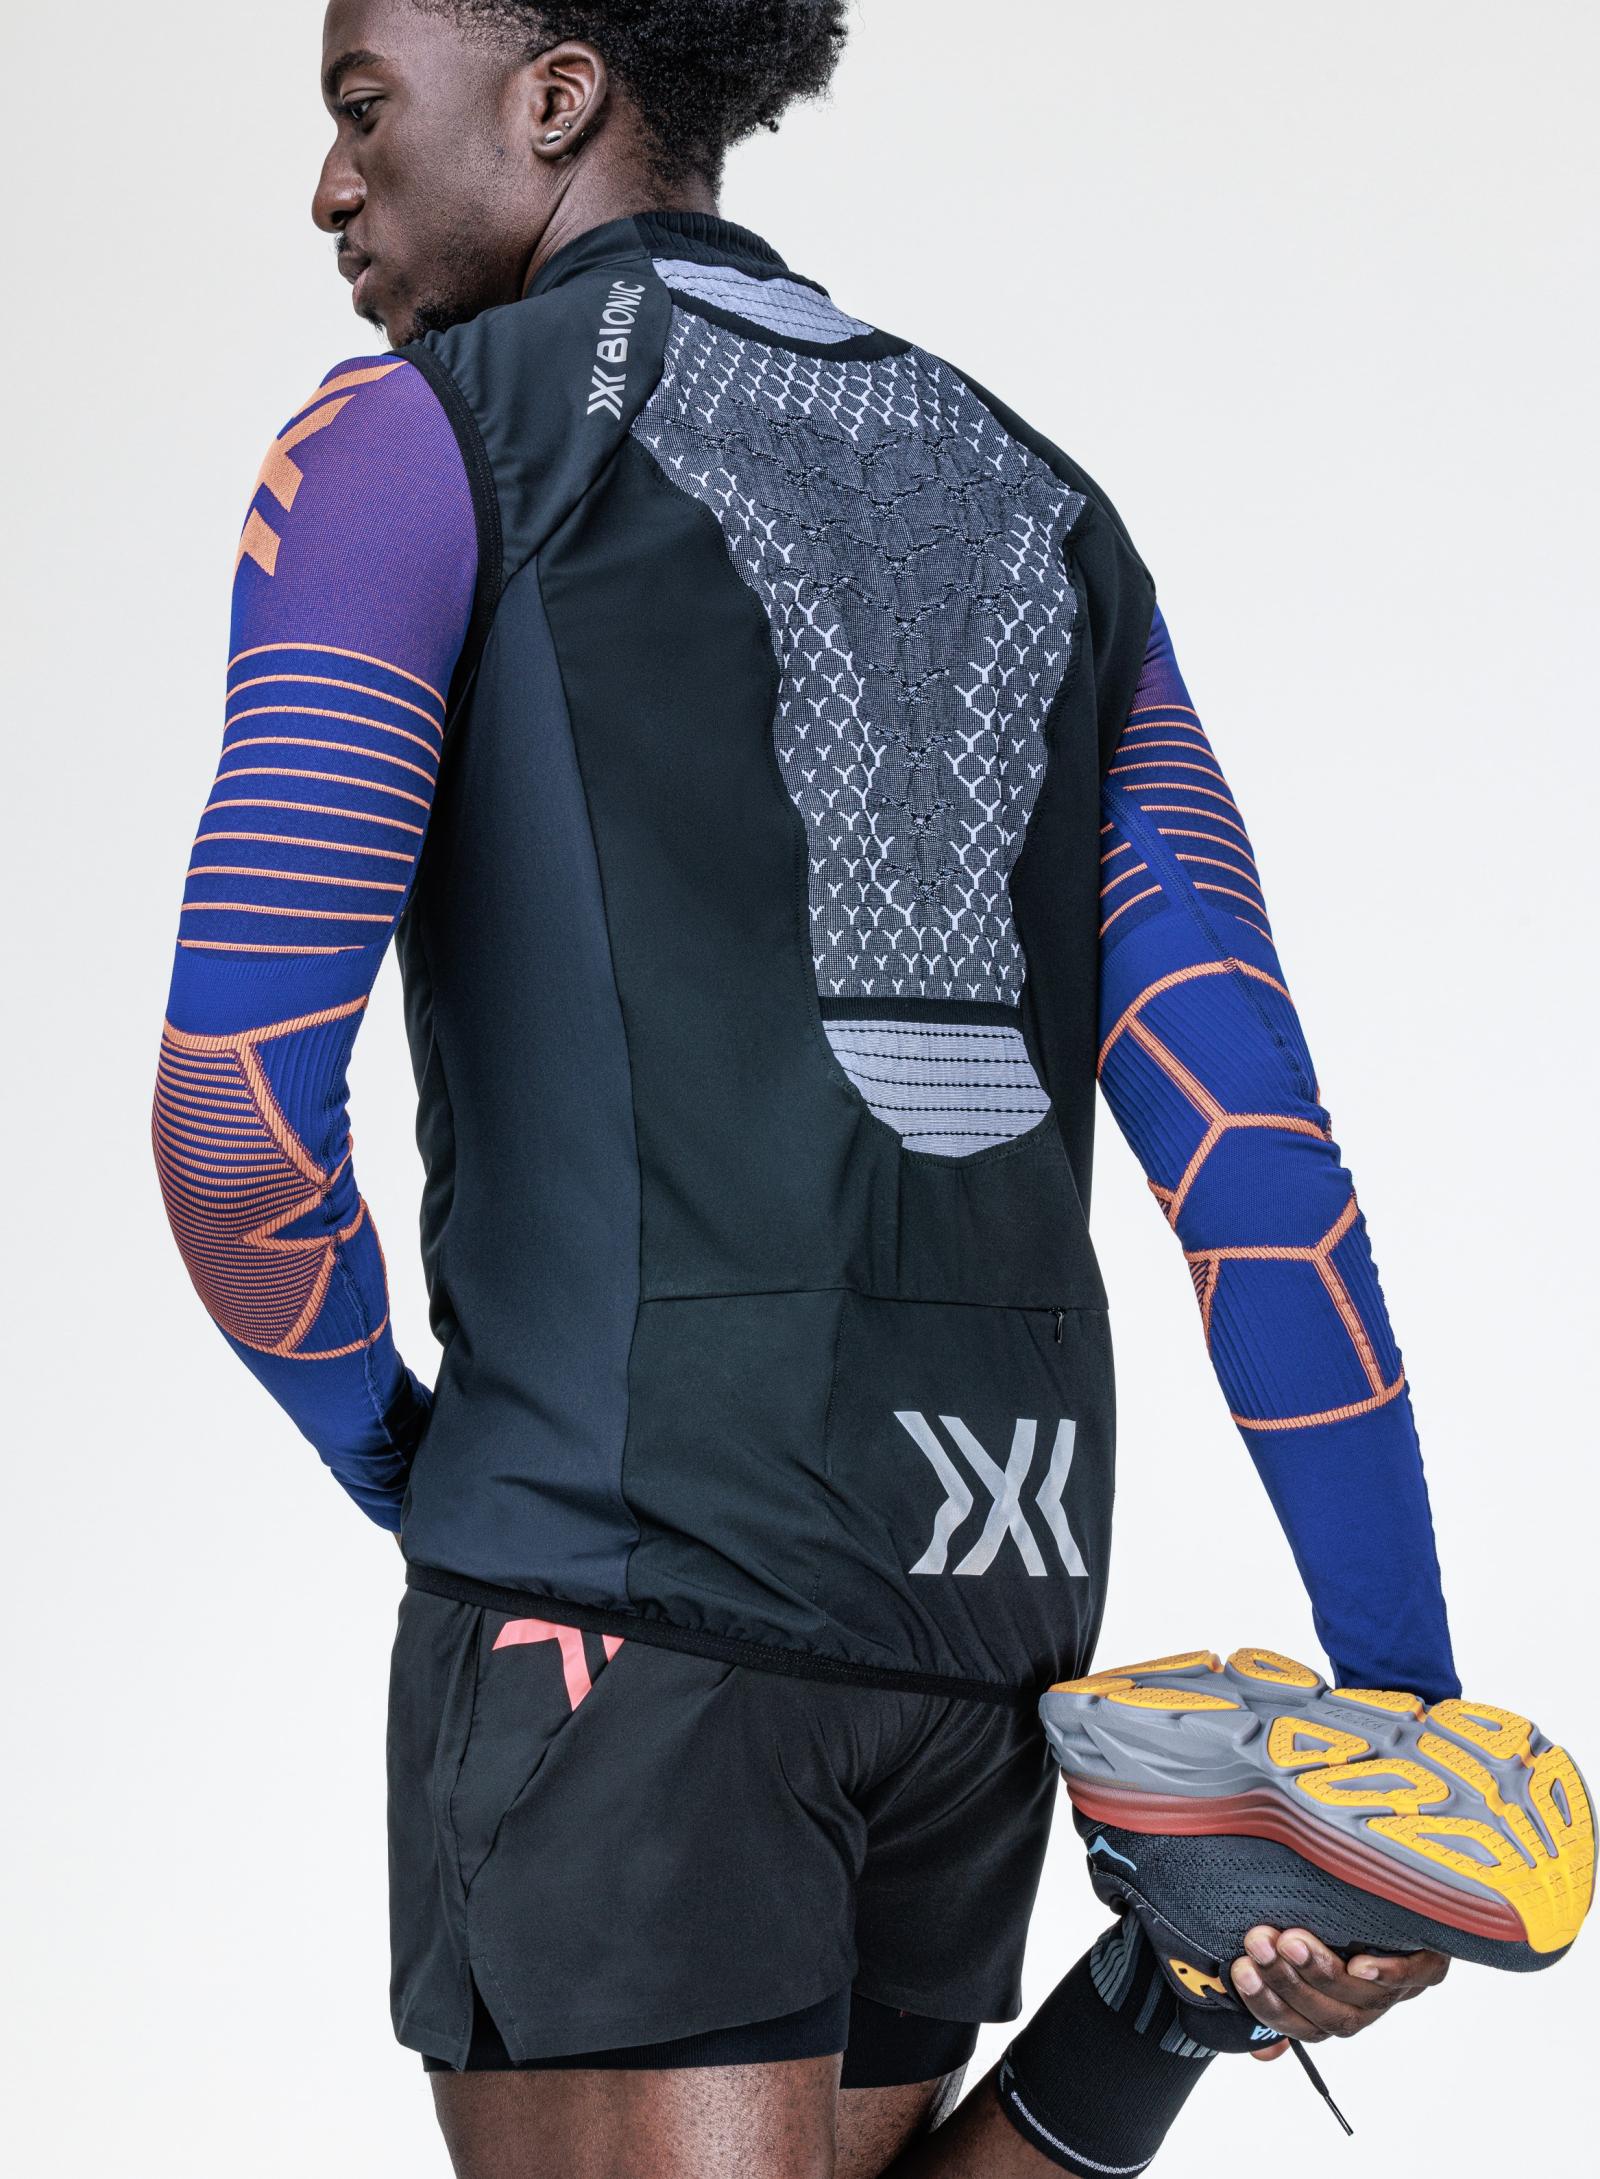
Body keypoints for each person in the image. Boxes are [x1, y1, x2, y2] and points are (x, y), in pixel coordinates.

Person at [152, 5, 1462, 2174]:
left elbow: (234, 1120)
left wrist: (413, 1463)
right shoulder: (1045, 501)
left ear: (555, 95)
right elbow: (1258, 1164)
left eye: (362, 110)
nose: (329, 188)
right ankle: (1160, 1988)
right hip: (989, 1595)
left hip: (623, 1583)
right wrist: (1399, 1730)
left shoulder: (415, 441)